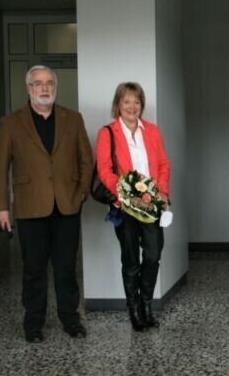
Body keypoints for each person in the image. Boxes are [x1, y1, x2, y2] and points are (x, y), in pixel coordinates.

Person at [0, 65, 93, 343]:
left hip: (67, 205)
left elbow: (87, 159)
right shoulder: (11, 122)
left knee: (66, 266)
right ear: (29, 89)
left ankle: (70, 318)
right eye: (38, 84)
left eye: (49, 83)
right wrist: (1, 207)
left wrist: (82, 190)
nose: (44, 88)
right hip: (30, 206)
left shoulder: (73, 119)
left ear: (55, 87)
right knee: (34, 268)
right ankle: (33, 323)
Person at [95, 82, 171, 332]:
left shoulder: (152, 130)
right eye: (127, 101)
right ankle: (134, 310)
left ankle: (146, 303)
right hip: (124, 206)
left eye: (136, 102)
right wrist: (126, 195)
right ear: (118, 104)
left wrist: (161, 192)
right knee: (131, 260)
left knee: (153, 254)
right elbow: (104, 171)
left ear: (142, 105)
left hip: (151, 205)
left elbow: (162, 164)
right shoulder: (107, 132)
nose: (132, 106)